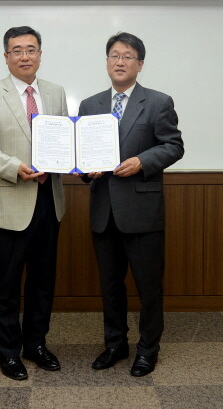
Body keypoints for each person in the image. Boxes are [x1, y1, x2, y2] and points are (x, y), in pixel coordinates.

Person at [77, 32, 184, 377]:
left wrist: (142, 161)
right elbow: (82, 157)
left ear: (140, 64)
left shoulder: (158, 102)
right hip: (104, 211)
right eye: (114, 55)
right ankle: (115, 344)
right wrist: (85, 170)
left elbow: (173, 146)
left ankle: (148, 349)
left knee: (148, 286)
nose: (119, 62)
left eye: (127, 56)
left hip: (142, 211)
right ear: (106, 62)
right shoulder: (90, 105)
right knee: (110, 286)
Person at [0, 26, 67, 381]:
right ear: (6, 56)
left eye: (31, 49)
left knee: (43, 280)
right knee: (7, 282)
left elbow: (63, 140)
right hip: (12, 199)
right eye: (17, 50)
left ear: (40, 54)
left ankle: (35, 344)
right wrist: (14, 167)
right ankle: (8, 353)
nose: (25, 56)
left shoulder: (55, 92)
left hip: (50, 198)